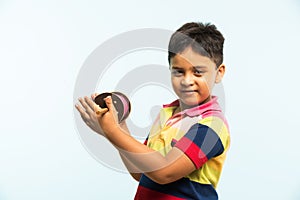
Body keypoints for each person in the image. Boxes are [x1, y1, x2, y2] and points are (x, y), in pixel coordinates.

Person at [75, 22, 230, 200]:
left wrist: (113, 131)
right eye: (179, 72)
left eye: (198, 72)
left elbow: (165, 172)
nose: (187, 81)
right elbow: (142, 173)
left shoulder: (212, 126)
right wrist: (119, 126)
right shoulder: (166, 115)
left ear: (219, 73)